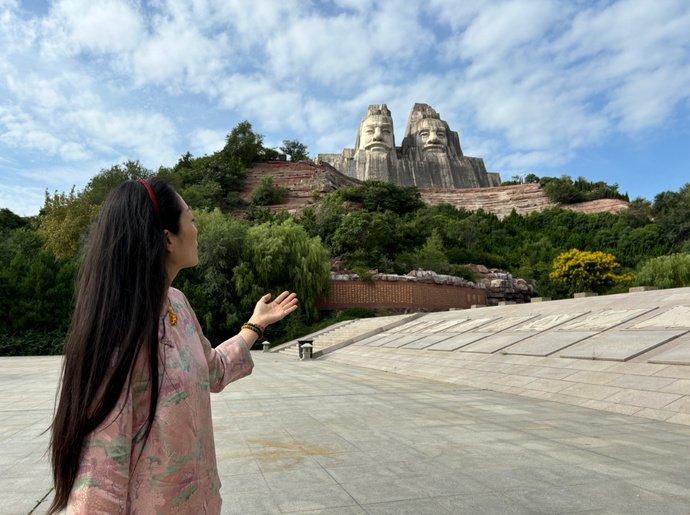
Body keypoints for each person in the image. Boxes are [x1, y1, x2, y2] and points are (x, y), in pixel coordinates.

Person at [46, 177, 298, 514]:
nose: (196, 229)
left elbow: (214, 370)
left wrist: (256, 324)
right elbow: (99, 474)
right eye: (191, 219)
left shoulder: (177, 303)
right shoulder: (122, 331)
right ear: (167, 238)